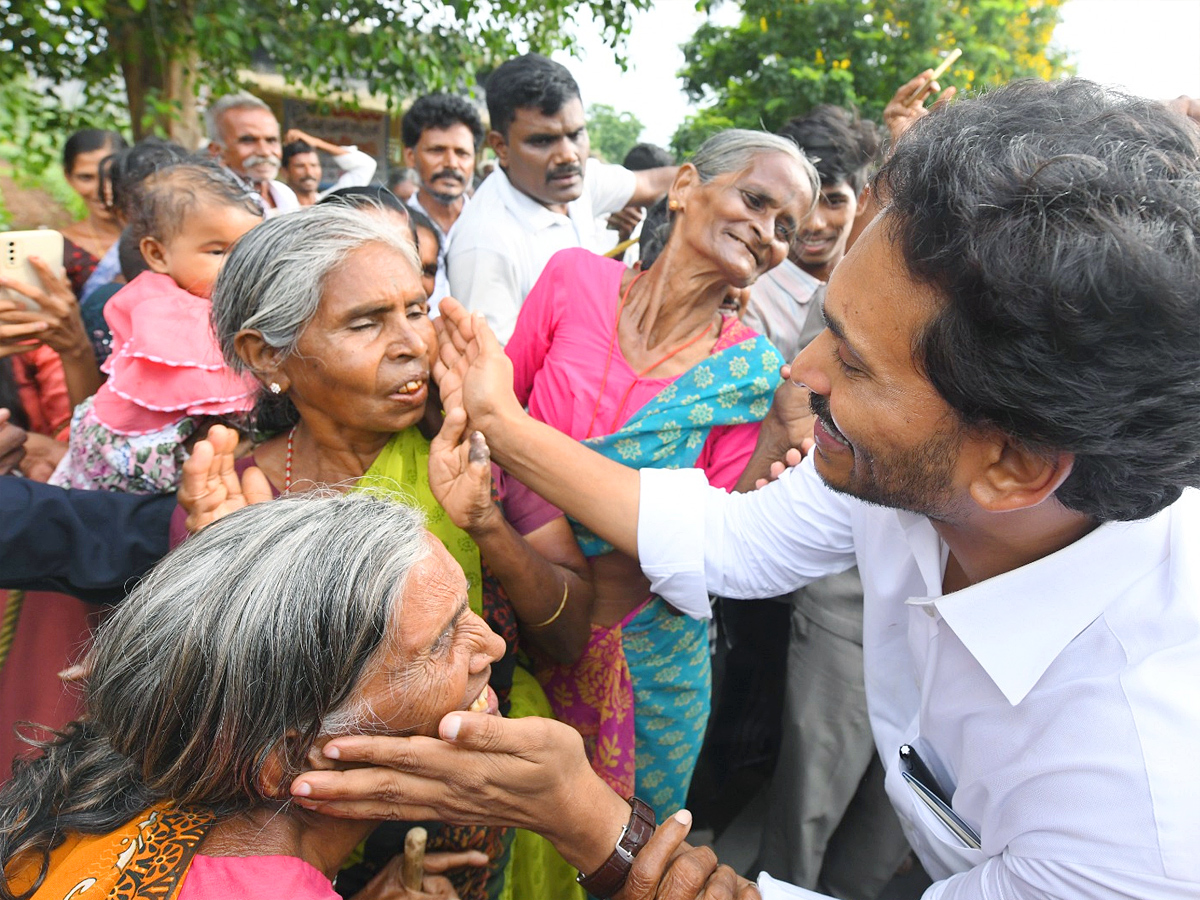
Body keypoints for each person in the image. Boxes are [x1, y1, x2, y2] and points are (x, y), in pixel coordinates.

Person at [291, 79, 1200, 900]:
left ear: (1010, 467)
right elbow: (725, 540)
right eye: (826, 326)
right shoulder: (902, 468)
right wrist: (500, 418)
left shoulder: (1143, 804)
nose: (799, 376)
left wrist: (588, 819)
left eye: (852, 360)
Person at [190, 204, 596, 900]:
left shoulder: (474, 447)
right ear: (267, 354)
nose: (412, 342)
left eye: (416, 309)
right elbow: (234, 729)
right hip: (320, 831)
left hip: (489, 794)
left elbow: (568, 635)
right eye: (366, 321)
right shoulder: (234, 495)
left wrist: (487, 524)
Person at [490, 129, 816, 823]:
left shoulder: (752, 374)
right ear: (685, 186)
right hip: (508, 618)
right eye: (755, 200)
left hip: (646, 662)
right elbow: (493, 422)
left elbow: (706, 541)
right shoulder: (573, 279)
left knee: (619, 856)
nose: (767, 232)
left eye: (786, 227)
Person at [0, 491, 507, 900]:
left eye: (465, 611)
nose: (493, 645)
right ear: (287, 758)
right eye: (439, 642)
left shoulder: (108, 791)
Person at [50, 161, 263, 494]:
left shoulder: (223, 298)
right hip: (132, 458)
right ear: (157, 254)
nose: (239, 267)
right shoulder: (164, 308)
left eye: (251, 252)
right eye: (218, 251)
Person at [445, 54, 677, 343]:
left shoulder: (576, 181)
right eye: (543, 140)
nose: (568, 155)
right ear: (501, 146)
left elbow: (655, 182)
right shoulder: (484, 247)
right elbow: (497, 378)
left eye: (576, 134)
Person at [401, 93, 484, 303]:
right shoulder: (394, 229)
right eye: (437, 151)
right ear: (410, 157)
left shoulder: (494, 226)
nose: (451, 163)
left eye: (462, 153)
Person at [58, 129, 128, 297]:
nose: (103, 190)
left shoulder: (159, 235)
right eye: (86, 177)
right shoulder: (61, 250)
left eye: (112, 175)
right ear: (68, 178)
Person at [206, 92, 299, 216]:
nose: (265, 152)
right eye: (248, 140)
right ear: (216, 150)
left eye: (271, 140)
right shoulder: (212, 202)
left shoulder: (284, 194)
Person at [282, 127, 379, 206]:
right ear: (285, 172)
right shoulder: (280, 208)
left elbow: (366, 165)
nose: (309, 172)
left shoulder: (331, 202)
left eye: (314, 165)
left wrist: (317, 143)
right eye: (300, 166)